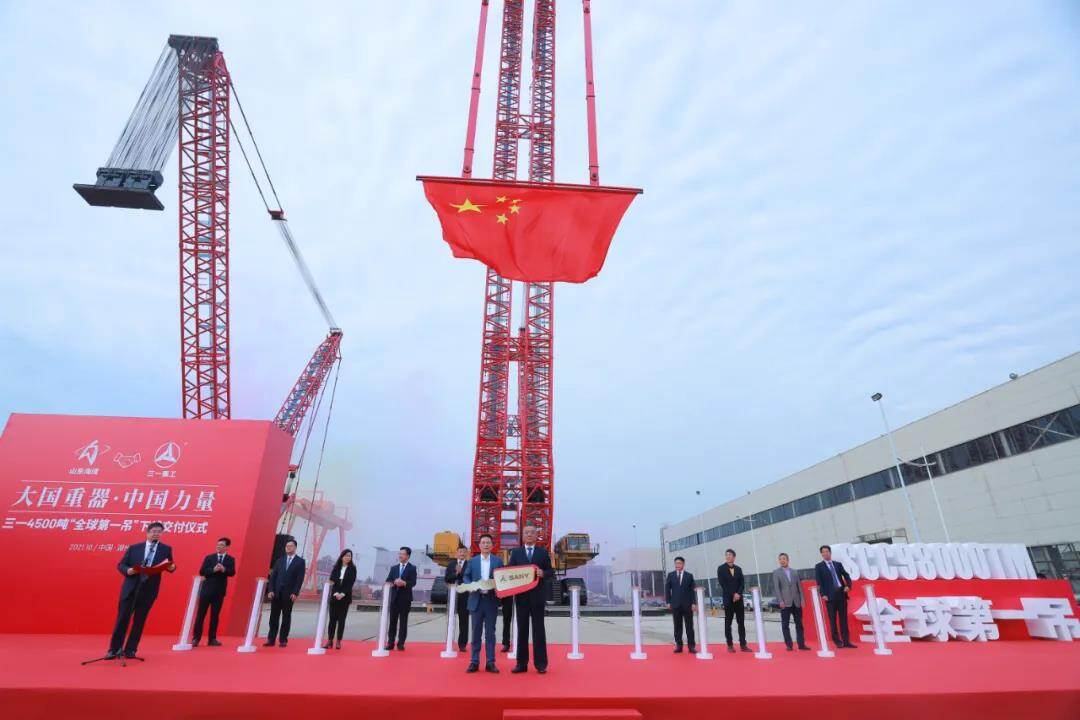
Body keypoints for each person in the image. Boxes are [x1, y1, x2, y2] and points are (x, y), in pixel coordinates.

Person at [107, 521, 176, 659]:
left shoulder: (166, 549)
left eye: (159, 532)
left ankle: (131, 650)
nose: (156, 534)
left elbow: (170, 565)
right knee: (122, 619)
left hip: (149, 590)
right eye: (154, 531)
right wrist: (128, 570)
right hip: (131, 588)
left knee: (139, 621)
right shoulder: (134, 548)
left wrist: (171, 567)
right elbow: (121, 565)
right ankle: (113, 650)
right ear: (147, 532)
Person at [508, 525, 553, 674]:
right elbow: (510, 572)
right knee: (522, 630)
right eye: (526, 533)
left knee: (539, 630)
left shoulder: (543, 552)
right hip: (521, 597)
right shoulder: (516, 552)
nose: (529, 535)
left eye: (532, 533)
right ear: (522, 536)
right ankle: (521, 664)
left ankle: (541, 664)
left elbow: (551, 572)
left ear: (536, 536)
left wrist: (543, 573)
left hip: (538, 597)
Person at [463, 533, 502, 673]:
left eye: (488, 543)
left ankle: (490, 662)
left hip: (491, 601)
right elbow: (466, 576)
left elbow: (502, 578)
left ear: (492, 545)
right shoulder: (472, 561)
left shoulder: (498, 561)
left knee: (490, 633)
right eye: (483, 543)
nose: (485, 545)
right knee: (476, 633)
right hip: (476, 600)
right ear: (479, 545)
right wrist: (471, 585)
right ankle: (474, 662)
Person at [192, 537, 236, 647]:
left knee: (215, 615)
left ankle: (212, 639)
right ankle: (196, 638)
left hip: (219, 592)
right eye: (218, 545)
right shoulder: (209, 558)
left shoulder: (230, 559)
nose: (219, 547)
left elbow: (232, 572)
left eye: (222, 545)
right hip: (206, 590)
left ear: (227, 547)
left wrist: (224, 570)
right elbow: (202, 571)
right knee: (201, 615)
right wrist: (213, 570)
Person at [265, 538, 305, 647]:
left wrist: (295, 593)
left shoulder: (300, 562)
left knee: (286, 617)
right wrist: (271, 590)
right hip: (276, 593)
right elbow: (273, 577)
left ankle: (283, 640)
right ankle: (271, 639)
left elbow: (299, 579)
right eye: (287, 546)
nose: (288, 548)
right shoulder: (280, 560)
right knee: (273, 617)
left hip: (289, 594)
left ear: (295, 547)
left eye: (290, 546)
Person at [815, 544, 856, 649]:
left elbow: (846, 575)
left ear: (830, 552)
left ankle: (846, 641)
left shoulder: (838, 564)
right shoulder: (819, 566)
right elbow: (819, 582)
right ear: (821, 554)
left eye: (827, 551)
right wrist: (823, 594)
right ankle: (837, 641)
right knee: (833, 620)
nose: (825, 553)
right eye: (823, 552)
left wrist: (848, 586)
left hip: (841, 594)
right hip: (830, 596)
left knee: (843, 619)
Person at [771, 552, 810, 651]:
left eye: (784, 559)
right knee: (785, 625)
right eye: (780, 559)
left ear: (788, 560)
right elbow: (777, 589)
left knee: (799, 625)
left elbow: (799, 587)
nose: (782, 561)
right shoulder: (776, 572)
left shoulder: (795, 572)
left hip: (796, 602)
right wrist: (780, 601)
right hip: (785, 602)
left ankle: (801, 644)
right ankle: (789, 645)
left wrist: (802, 600)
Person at [717, 548, 749, 652]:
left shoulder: (738, 569)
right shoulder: (721, 568)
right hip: (728, 599)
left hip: (739, 600)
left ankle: (743, 645)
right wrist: (733, 594)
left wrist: (738, 593)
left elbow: (742, 583)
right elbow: (723, 584)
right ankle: (730, 645)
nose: (728, 556)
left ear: (734, 557)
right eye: (726, 555)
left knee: (741, 623)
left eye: (730, 555)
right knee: (728, 623)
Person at [385, 546, 417, 650]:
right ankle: (390, 643)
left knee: (403, 622)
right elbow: (388, 580)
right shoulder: (394, 568)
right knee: (392, 621)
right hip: (394, 599)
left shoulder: (412, 568)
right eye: (399, 553)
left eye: (402, 554)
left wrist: (404, 583)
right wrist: (394, 582)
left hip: (405, 599)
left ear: (408, 556)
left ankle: (401, 643)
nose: (400, 555)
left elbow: (413, 582)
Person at [324, 548, 356, 649]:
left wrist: (342, 594)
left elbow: (350, 583)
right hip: (334, 597)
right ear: (342, 557)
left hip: (345, 598)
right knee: (332, 620)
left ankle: (338, 641)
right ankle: (330, 640)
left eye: (350, 556)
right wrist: (336, 593)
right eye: (346, 555)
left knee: (341, 620)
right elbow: (332, 581)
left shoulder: (352, 569)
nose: (348, 557)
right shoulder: (336, 567)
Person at [665, 556, 697, 653]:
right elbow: (667, 589)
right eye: (676, 563)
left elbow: (692, 591)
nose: (677, 565)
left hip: (687, 605)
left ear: (683, 564)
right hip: (675, 605)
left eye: (679, 563)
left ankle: (691, 646)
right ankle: (679, 646)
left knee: (689, 627)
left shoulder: (689, 576)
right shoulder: (671, 575)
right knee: (677, 627)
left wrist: (694, 603)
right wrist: (668, 602)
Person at [444, 545, 471, 652]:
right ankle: (449, 642)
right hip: (452, 595)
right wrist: (456, 573)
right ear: (456, 553)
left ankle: (462, 644)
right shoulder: (451, 564)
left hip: (464, 596)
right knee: (450, 619)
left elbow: (469, 579)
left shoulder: (469, 564)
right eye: (460, 552)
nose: (462, 554)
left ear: (467, 553)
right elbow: (447, 578)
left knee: (464, 620)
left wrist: (461, 573)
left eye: (464, 552)